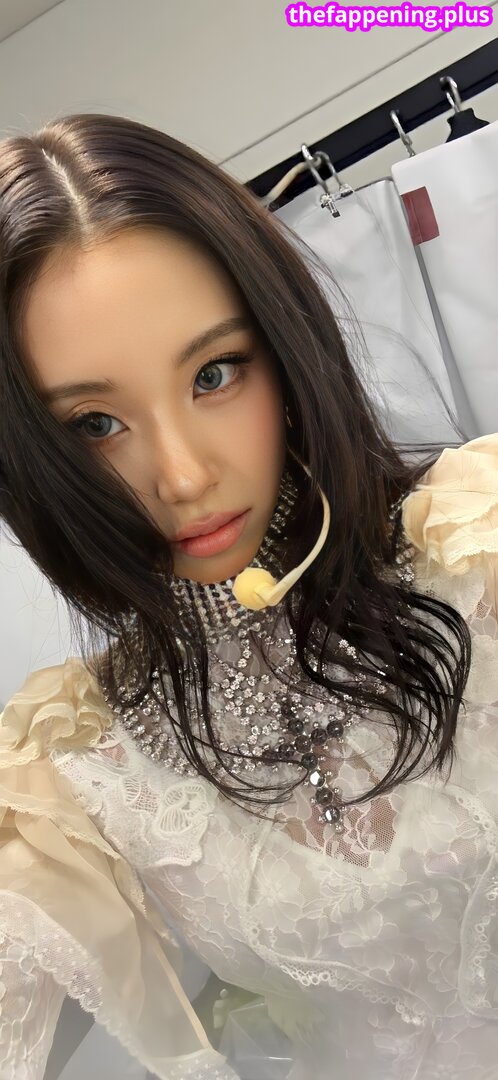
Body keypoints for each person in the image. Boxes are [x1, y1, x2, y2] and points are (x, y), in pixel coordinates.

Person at [0, 112, 497, 1080]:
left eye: (215, 373)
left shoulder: (477, 545)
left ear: (285, 346)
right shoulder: (74, 762)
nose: (183, 476)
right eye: (95, 424)